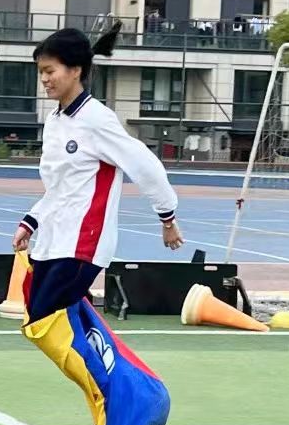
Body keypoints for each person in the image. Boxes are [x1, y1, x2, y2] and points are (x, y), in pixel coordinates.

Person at [12, 23, 184, 321]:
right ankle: (95, 345)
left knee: (46, 320)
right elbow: (60, 187)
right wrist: (31, 222)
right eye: (41, 72)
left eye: (50, 71)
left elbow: (146, 166)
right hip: (53, 240)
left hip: (83, 244)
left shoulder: (97, 119)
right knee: (42, 319)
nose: (44, 79)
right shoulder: (54, 121)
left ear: (75, 70)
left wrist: (167, 217)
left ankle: (99, 350)